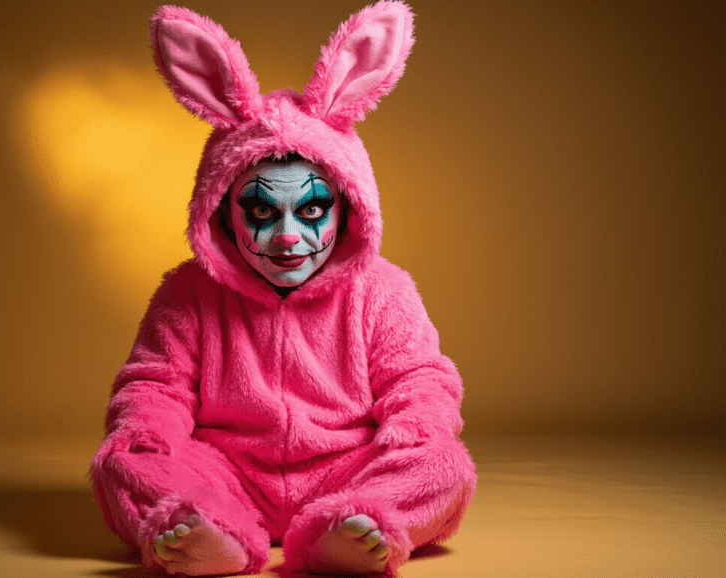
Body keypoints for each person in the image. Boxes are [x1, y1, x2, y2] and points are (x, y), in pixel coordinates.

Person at [90, 2, 477, 575]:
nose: (289, 237)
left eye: (313, 209)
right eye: (262, 211)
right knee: (121, 462)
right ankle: (207, 533)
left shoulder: (384, 290)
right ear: (222, 212)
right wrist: (150, 436)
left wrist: (411, 433)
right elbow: (155, 384)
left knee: (447, 466)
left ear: (347, 210)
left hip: (348, 471)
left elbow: (419, 377)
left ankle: (352, 527)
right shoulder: (187, 293)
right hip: (225, 473)